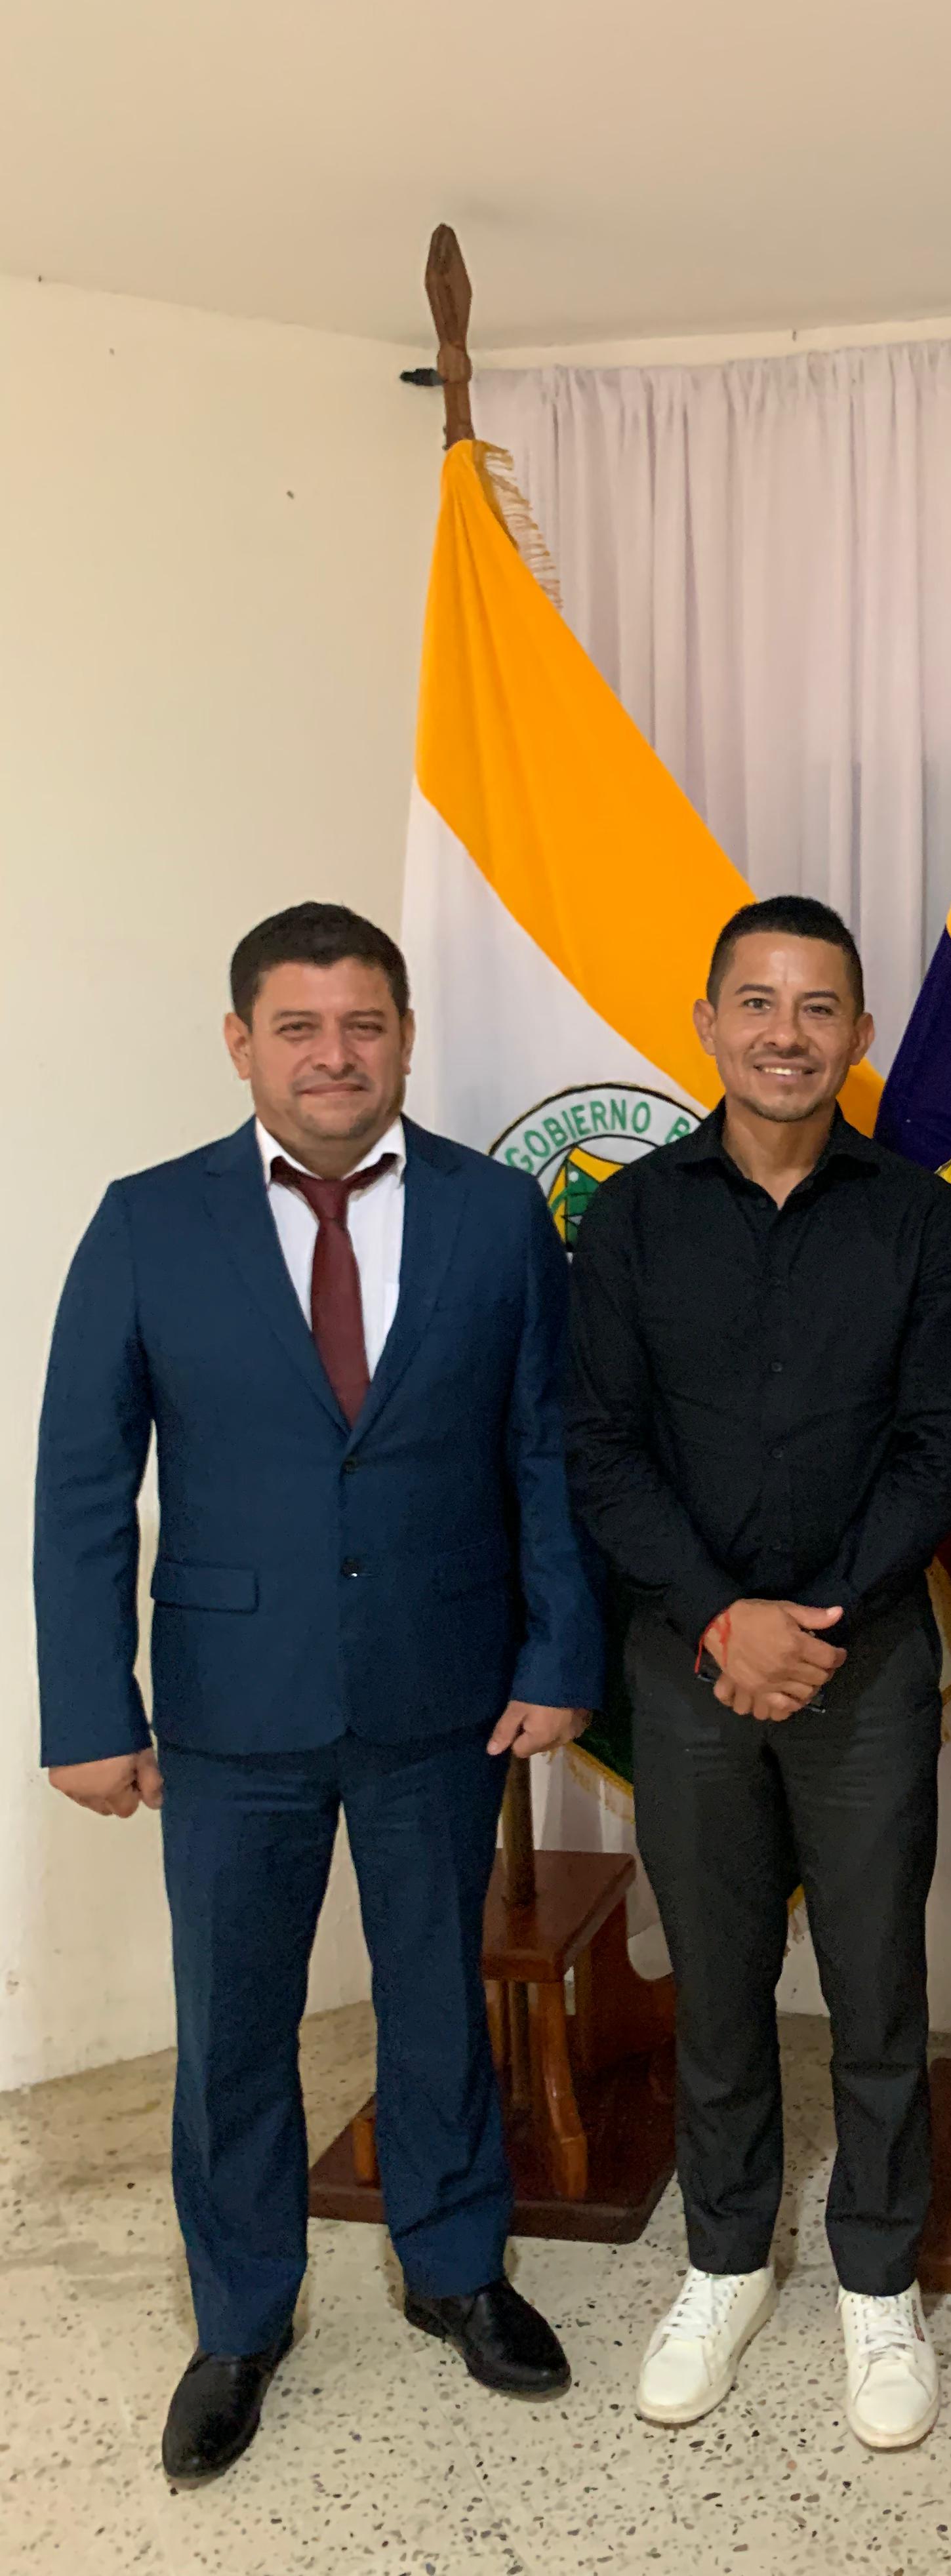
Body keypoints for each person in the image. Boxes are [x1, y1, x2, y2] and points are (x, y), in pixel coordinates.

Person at [35, 903, 600, 2486]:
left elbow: (544, 1449)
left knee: (437, 2002)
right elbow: (83, 1483)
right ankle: (238, 2319)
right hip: (231, 1707)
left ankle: (456, 2270)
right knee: (233, 2026)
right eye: (298, 1027)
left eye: (363, 1026)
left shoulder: (498, 1215)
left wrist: (561, 1653)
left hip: (444, 1690)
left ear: (405, 1039)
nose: (333, 1056)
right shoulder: (148, 1222)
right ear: (242, 1045)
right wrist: (89, 1707)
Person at [565, 894, 951, 2453]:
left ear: (860, 1035)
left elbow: (946, 1444)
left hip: (863, 1661)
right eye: (758, 1002)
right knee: (719, 1976)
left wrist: (810, 1618)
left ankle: (878, 2280)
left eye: (819, 1009)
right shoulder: (631, 1219)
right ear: (708, 1023)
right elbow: (598, 1445)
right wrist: (718, 1619)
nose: (786, 1034)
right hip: (687, 1663)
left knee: (879, 1981)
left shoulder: (917, 1218)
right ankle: (727, 2259)